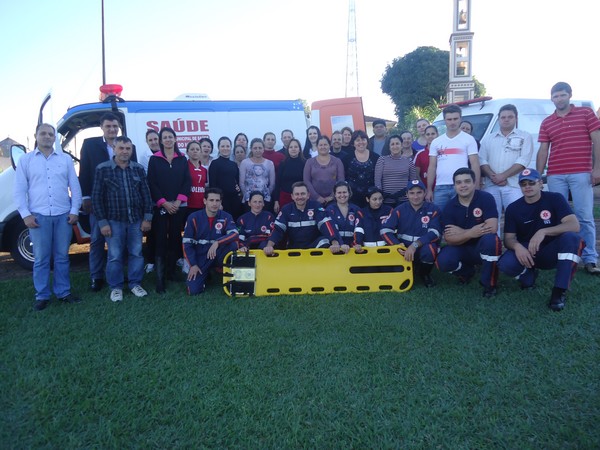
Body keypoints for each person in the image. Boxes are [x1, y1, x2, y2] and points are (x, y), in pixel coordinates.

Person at [14, 123, 82, 310]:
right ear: (35, 136)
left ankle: (63, 292)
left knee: (62, 257)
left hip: (63, 215)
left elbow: (74, 187)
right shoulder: (26, 161)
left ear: (54, 137)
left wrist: (74, 210)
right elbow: (19, 190)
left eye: (50, 134)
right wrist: (26, 215)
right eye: (42, 133)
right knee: (41, 259)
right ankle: (42, 295)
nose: (47, 136)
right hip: (38, 216)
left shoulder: (65, 159)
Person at [536, 81, 600, 274]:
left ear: (569, 95)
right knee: (558, 218)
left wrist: (597, 168)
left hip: (581, 171)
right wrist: (538, 176)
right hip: (555, 174)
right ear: (551, 99)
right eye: (555, 96)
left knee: (584, 216)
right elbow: (543, 150)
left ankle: (590, 259)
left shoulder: (586, 114)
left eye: (562, 95)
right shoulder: (547, 122)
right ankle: (562, 254)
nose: (559, 99)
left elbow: (597, 140)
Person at [498, 169, 584, 311]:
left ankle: (559, 291)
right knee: (505, 264)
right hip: (528, 252)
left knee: (572, 238)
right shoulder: (513, 208)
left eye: (531, 182)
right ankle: (528, 274)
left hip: (552, 250)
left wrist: (543, 231)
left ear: (540, 184)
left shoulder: (555, 198)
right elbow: (508, 239)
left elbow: (574, 225)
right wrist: (517, 247)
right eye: (523, 184)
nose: (527, 186)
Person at [80, 112, 137, 292]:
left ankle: (122, 275)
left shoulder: (127, 145)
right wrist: (86, 197)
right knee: (97, 240)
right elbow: (84, 172)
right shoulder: (89, 145)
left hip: (120, 205)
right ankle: (96, 277)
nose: (112, 129)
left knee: (122, 242)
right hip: (98, 203)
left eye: (115, 126)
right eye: (108, 126)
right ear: (102, 127)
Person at [92, 136, 153, 302]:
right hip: (113, 221)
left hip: (135, 220)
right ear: (114, 148)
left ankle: (135, 284)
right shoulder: (102, 169)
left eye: (128, 149)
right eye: (121, 148)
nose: (125, 151)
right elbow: (97, 198)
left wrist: (147, 218)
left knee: (136, 253)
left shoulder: (138, 169)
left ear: (131, 150)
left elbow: (146, 195)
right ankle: (116, 287)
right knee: (115, 255)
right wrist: (102, 223)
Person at [436, 168, 502, 297]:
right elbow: (449, 239)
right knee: (442, 262)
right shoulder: (450, 206)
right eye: (459, 182)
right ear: (454, 185)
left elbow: (492, 227)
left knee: (492, 240)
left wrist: (462, 232)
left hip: (482, 245)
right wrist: (471, 233)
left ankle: (490, 283)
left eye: (467, 181)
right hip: (462, 248)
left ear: (474, 183)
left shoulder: (485, 198)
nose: (463, 185)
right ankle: (466, 271)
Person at [147, 127, 191, 293]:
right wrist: (164, 203)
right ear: (160, 140)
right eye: (164, 137)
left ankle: (171, 273)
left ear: (175, 139)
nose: (167, 140)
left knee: (174, 238)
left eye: (170, 137)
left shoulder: (182, 159)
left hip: (178, 207)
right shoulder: (154, 159)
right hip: (161, 207)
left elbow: (187, 182)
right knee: (160, 240)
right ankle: (160, 279)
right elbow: (152, 183)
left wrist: (178, 202)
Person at [381, 179, 442, 287]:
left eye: (419, 192)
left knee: (430, 249)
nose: (415, 196)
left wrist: (414, 245)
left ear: (424, 193)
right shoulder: (399, 210)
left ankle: (425, 274)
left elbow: (435, 233)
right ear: (407, 194)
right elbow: (385, 230)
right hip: (403, 248)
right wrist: (397, 246)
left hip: (422, 246)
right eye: (412, 193)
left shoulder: (434, 209)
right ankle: (408, 270)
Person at [479, 104, 534, 221]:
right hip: (491, 185)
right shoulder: (488, 139)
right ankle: (496, 240)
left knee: (517, 217)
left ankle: (514, 240)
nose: (506, 119)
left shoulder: (525, 136)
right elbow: (482, 160)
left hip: (514, 185)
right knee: (492, 219)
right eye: (503, 117)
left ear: (516, 118)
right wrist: (494, 177)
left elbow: (523, 160)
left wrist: (502, 176)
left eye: (510, 117)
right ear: (498, 119)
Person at [183, 188, 239, 295]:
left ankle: (221, 269)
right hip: (200, 256)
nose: (214, 203)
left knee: (233, 245)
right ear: (205, 201)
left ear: (221, 202)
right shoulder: (193, 217)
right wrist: (193, 264)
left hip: (217, 253)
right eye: (211, 200)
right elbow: (187, 244)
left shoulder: (226, 216)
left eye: (217, 201)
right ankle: (205, 273)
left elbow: (234, 234)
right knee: (193, 290)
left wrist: (217, 242)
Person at [263, 182, 342, 255]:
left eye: (303, 194)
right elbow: (277, 229)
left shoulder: (316, 206)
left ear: (308, 195)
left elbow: (326, 225)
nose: (300, 197)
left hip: (314, 247)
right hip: (294, 249)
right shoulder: (286, 209)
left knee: (325, 241)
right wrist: (269, 246)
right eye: (297, 194)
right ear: (292, 196)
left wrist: (334, 243)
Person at [426, 104, 480, 210]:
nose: (452, 122)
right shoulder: (436, 142)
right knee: (440, 219)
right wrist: (429, 189)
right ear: (444, 120)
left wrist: (476, 186)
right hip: (440, 187)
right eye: (449, 119)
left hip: (463, 185)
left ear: (460, 119)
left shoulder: (469, 139)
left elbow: (475, 164)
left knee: (462, 218)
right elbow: (432, 167)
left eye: (455, 119)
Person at [374, 133, 417, 207]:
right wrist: (381, 195)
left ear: (401, 145)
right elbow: (377, 180)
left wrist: (405, 192)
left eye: (397, 143)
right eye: (392, 144)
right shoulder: (382, 160)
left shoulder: (409, 161)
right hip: (386, 200)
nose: (395, 146)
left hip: (404, 200)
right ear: (389, 147)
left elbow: (413, 181)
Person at [303, 135, 345, 206]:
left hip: (334, 200)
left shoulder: (337, 161)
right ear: (317, 147)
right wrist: (317, 197)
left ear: (329, 145)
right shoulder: (309, 162)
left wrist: (332, 196)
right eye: (320, 145)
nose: (323, 147)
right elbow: (306, 181)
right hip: (314, 201)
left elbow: (341, 180)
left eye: (325, 144)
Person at [343, 130, 380, 207]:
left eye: (363, 139)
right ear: (353, 143)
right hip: (352, 198)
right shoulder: (347, 158)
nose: (361, 142)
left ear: (367, 141)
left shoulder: (376, 157)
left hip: (372, 198)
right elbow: (344, 177)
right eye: (357, 140)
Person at [209, 137, 242, 219]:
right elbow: (212, 185)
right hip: (222, 200)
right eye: (223, 146)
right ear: (219, 148)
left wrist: (238, 189)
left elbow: (237, 182)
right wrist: (218, 202)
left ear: (231, 147)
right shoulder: (214, 163)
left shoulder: (233, 164)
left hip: (235, 200)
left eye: (227, 146)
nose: (225, 148)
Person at [239, 138, 276, 211]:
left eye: (260, 148)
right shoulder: (245, 163)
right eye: (255, 148)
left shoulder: (269, 163)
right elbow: (241, 183)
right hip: (248, 199)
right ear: (251, 149)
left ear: (263, 149)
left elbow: (272, 184)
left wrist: (266, 194)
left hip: (265, 199)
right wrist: (247, 196)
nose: (257, 150)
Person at [354, 187, 392, 251]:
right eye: (374, 199)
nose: (378, 202)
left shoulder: (389, 211)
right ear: (367, 199)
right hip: (367, 250)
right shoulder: (361, 213)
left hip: (386, 249)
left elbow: (394, 230)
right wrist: (358, 244)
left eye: (380, 199)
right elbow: (358, 230)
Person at [273, 138, 305, 213]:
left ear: (300, 149)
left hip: (301, 198)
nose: (293, 149)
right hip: (285, 198)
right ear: (288, 149)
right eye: (291, 147)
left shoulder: (305, 163)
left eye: (296, 147)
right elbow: (277, 183)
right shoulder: (282, 164)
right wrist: (276, 201)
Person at [326, 181, 360, 252]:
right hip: (335, 248)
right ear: (335, 194)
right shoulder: (329, 209)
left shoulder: (356, 209)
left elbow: (359, 229)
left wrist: (356, 244)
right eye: (339, 193)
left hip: (353, 249)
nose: (342, 195)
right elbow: (331, 229)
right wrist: (340, 244)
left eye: (344, 192)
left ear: (349, 193)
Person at [185, 141, 208, 217]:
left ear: (200, 152)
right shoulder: (184, 167)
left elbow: (205, 186)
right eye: (192, 149)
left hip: (201, 206)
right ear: (187, 152)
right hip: (187, 205)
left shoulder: (204, 170)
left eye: (197, 149)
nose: (195, 151)